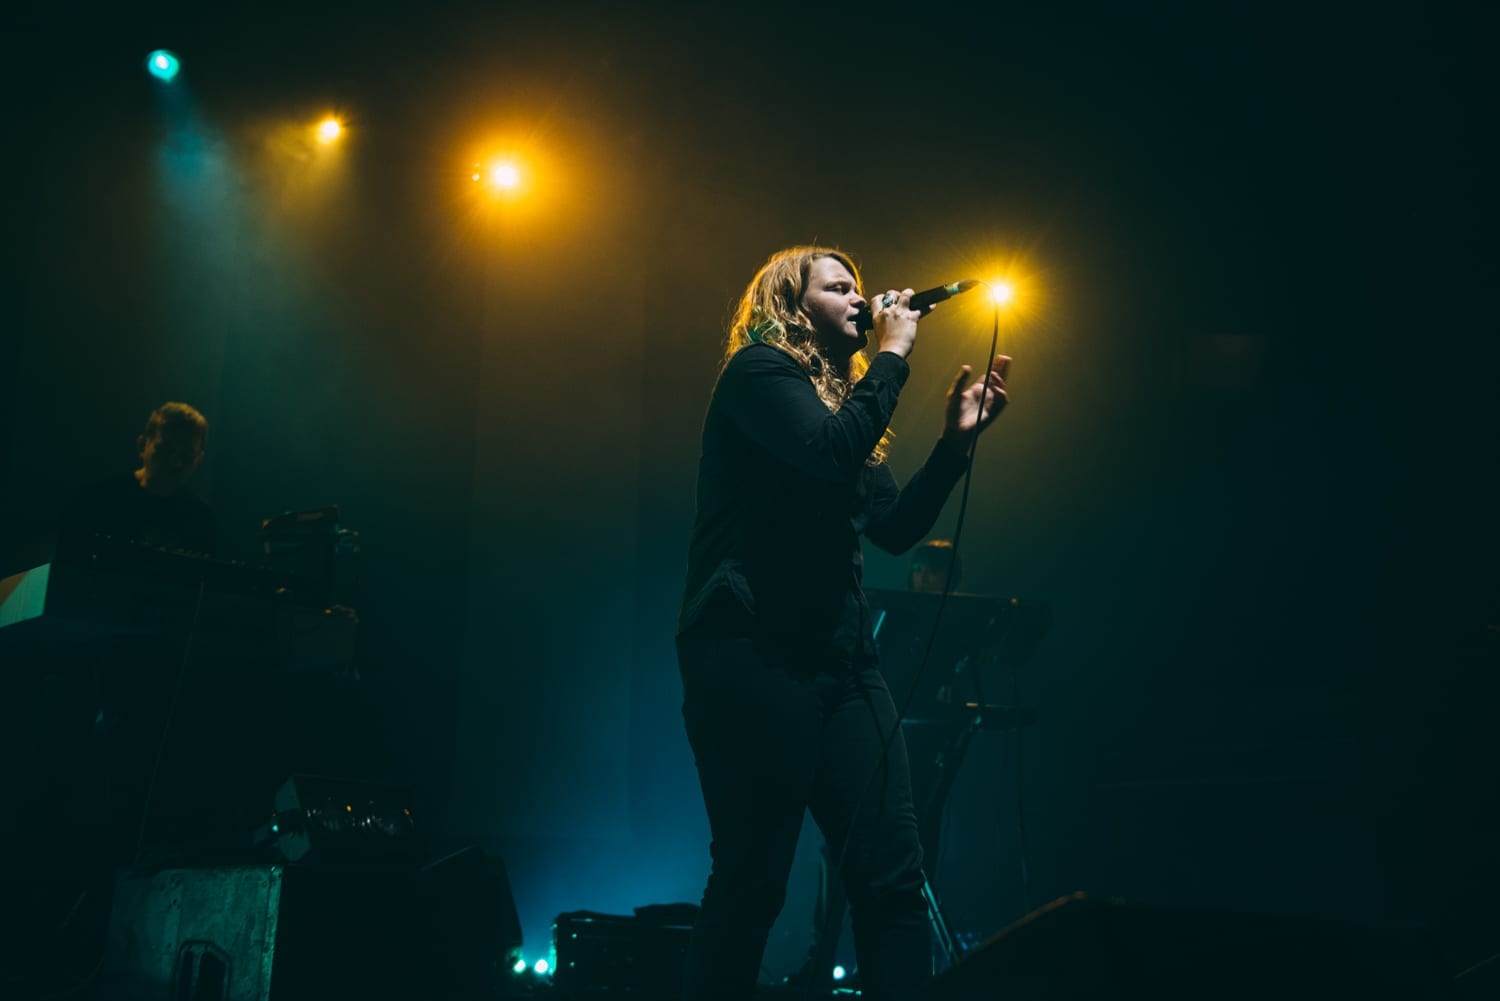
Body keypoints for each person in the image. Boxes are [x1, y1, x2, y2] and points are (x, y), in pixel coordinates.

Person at [676, 246, 1011, 1001]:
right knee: (754, 881)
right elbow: (828, 455)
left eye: (861, 287)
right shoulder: (759, 374)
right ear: (792, 307)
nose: (861, 298)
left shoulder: (843, 408)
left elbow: (892, 527)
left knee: (893, 873)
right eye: (839, 287)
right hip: (752, 652)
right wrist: (893, 353)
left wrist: (955, 444)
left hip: (844, 667)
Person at [59, 401, 215, 556]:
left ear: (199, 459)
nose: (175, 462)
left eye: (186, 457)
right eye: (165, 450)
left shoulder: (200, 519)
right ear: (142, 445)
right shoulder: (97, 501)